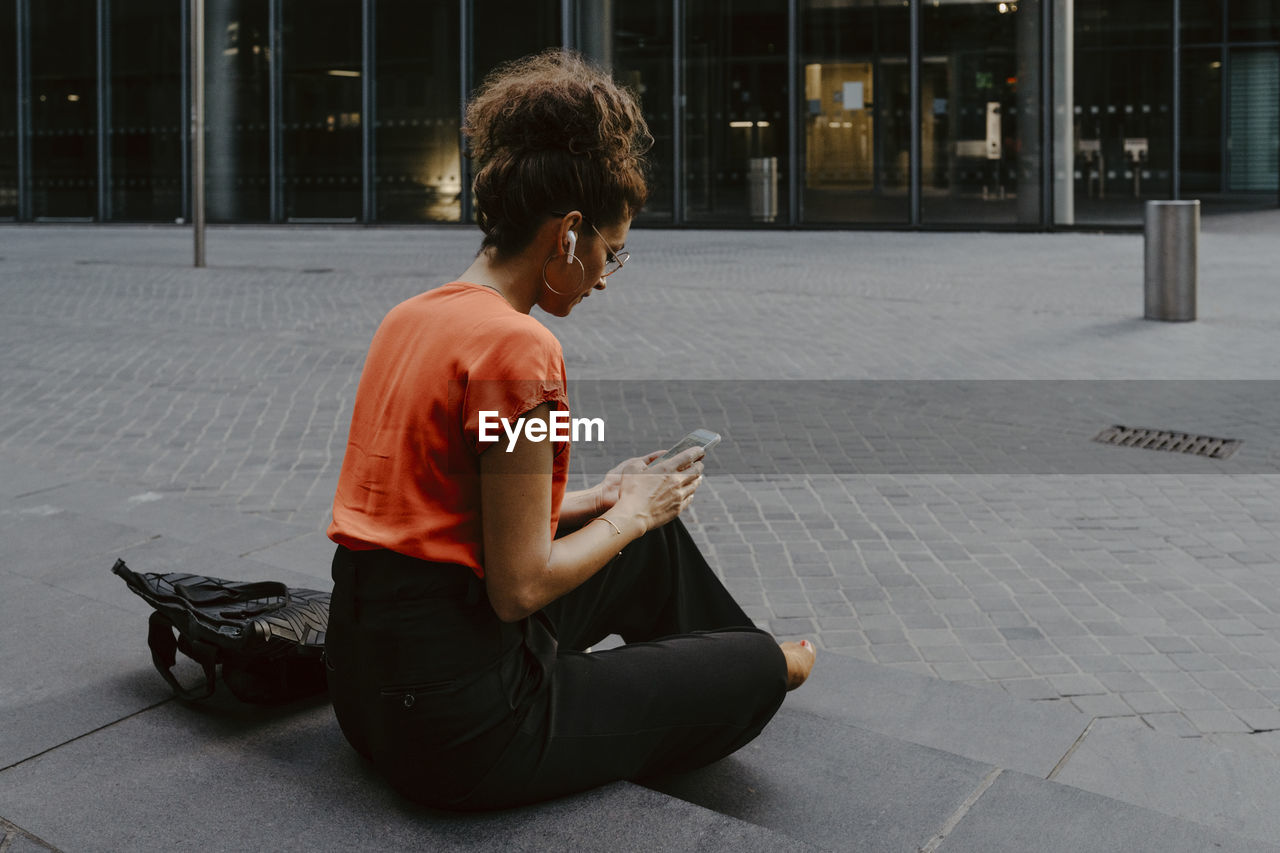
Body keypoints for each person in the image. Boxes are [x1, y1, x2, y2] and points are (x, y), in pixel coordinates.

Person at [323, 50, 815, 812]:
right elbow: (519, 587)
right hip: (467, 729)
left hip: (368, 693)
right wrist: (635, 509)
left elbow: (436, 515)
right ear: (569, 234)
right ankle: (742, 667)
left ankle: (720, 660)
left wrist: (603, 496)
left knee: (645, 539)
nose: (606, 278)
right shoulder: (520, 348)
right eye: (610, 255)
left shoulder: (414, 316)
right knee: (738, 645)